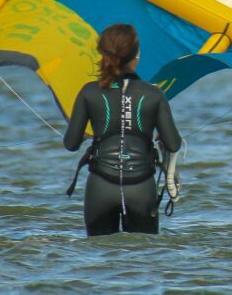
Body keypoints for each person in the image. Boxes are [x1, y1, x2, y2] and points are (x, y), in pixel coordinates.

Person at [64, 23, 182, 237]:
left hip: (100, 187)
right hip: (141, 188)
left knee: (100, 259)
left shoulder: (89, 92)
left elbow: (70, 144)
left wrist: (84, 136)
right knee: (141, 260)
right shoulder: (154, 94)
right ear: (136, 55)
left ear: (103, 53)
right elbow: (174, 144)